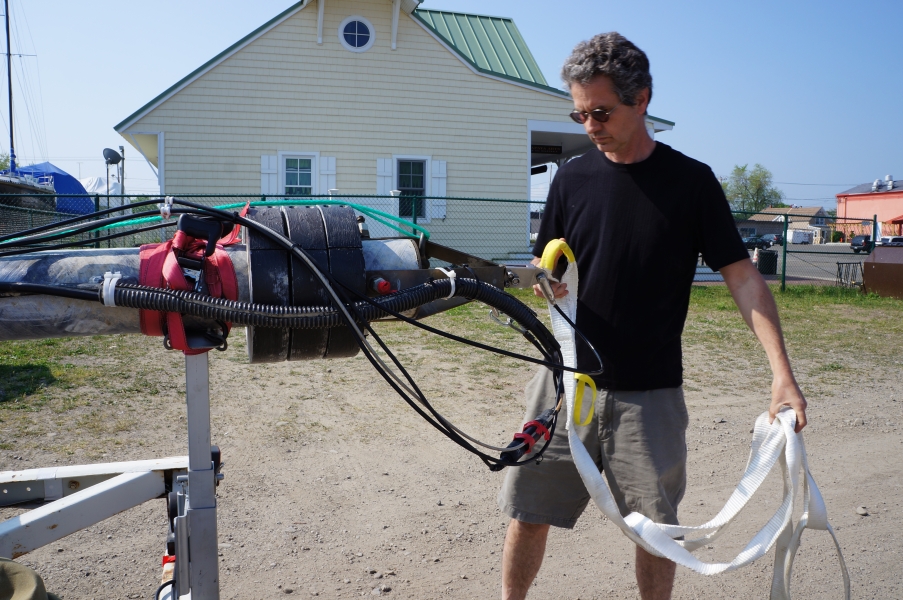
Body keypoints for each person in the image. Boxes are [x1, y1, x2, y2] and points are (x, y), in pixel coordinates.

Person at [497, 32, 808, 600]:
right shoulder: (570, 179)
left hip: (651, 394)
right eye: (579, 112)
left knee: (656, 534)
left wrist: (781, 373)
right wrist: (546, 288)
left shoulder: (690, 183)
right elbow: (553, 266)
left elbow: (742, 277)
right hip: (565, 386)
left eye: (601, 112)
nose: (589, 125)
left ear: (641, 100)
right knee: (528, 511)